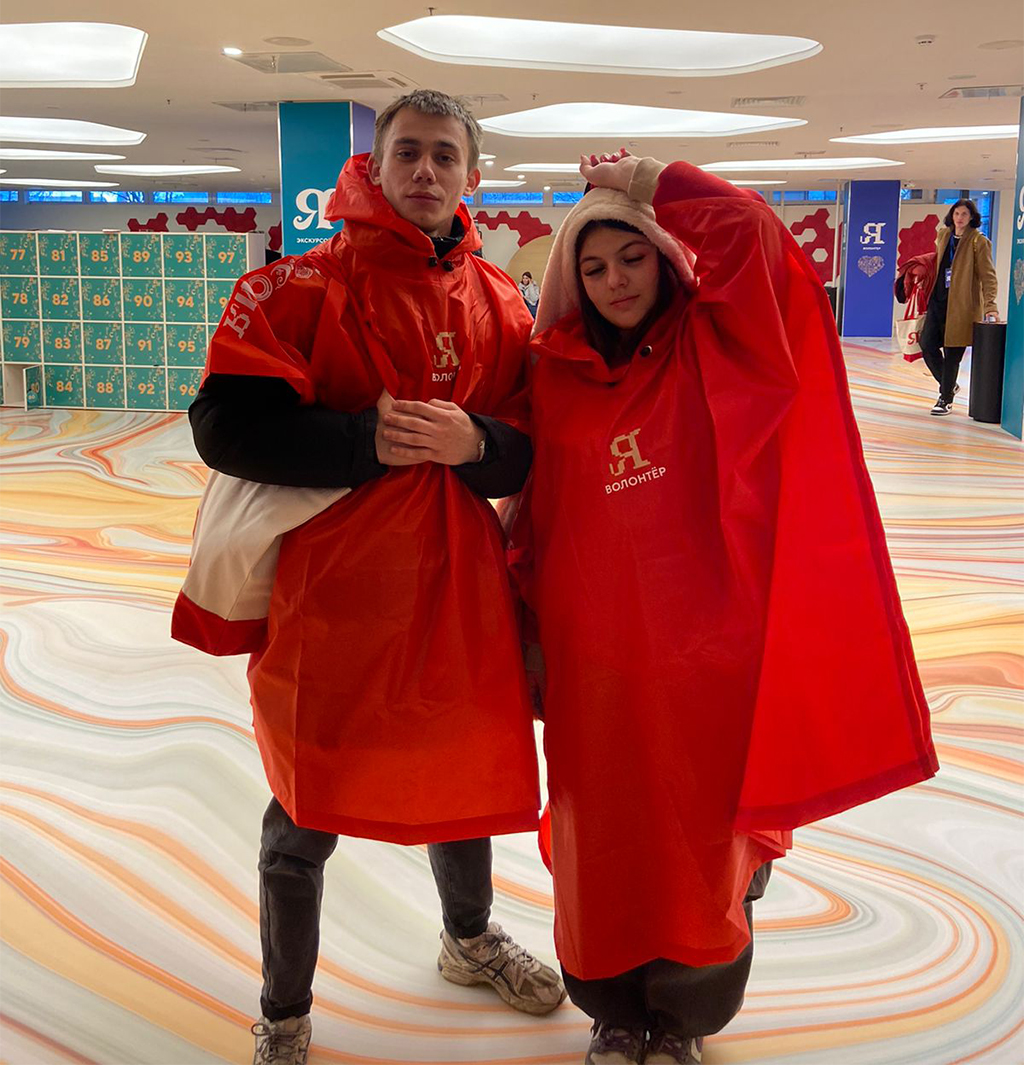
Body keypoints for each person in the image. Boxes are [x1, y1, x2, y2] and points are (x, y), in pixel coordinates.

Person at [510, 150, 938, 1065]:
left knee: (700, 842)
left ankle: (682, 1019)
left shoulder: (716, 347)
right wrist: (530, 638)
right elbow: (533, 516)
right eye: (594, 266)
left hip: (709, 654)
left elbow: (754, 239)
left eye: (632, 256)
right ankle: (613, 1009)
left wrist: (655, 179)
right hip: (594, 663)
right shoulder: (549, 372)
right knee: (601, 837)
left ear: (665, 257)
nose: (615, 280)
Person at [186, 90, 565, 1065]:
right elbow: (223, 425)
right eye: (408, 152)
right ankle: (283, 1011)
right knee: (304, 801)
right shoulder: (295, 286)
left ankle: (468, 939)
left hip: (460, 589)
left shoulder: (502, 300)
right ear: (375, 164)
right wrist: (362, 440)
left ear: (471, 175)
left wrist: (477, 442)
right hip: (333, 594)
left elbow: (536, 448)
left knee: (462, 769)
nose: (425, 170)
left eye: (444, 155)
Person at [918, 198, 999, 416]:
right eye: (956, 213)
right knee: (927, 344)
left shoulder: (979, 241)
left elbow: (988, 276)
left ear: (972, 217)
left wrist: (990, 305)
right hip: (939, 301)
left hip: (962, 305)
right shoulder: (944, 235)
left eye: (964, 214)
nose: (960, 218)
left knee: (953, 352)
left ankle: (945, 399)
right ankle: (949, 385)